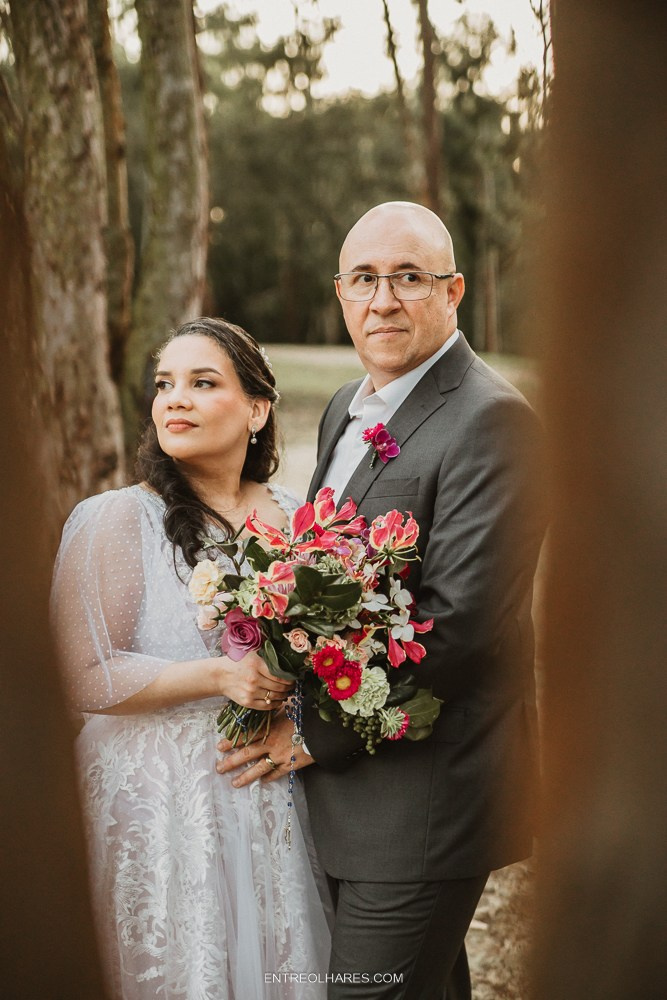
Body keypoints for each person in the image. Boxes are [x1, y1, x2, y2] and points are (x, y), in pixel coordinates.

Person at [218, 203, 547, 999]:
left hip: (423, 801)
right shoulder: (345, 406)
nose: (383, 299)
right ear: (339, 292)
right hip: (347, 801)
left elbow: (459, 625)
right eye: (363, 279)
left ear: (453, 290)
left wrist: (310, 735)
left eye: (408, 277)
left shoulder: (494, 420)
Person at [51, 318, 331, 999]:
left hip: (268, 799)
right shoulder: (115, 519)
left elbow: (329, 660)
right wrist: (215, 675)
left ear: (257, 409)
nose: (174, 399)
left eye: (202, 383)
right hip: (154, 807)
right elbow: (82, 672)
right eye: (164, 385)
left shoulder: (301, 521)